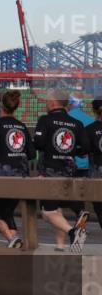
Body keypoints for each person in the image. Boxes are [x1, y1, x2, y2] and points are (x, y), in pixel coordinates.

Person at [34, 89, 90, 252]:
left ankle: (73, 232)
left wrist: (50, 148)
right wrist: (70, 151)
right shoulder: (77, 124)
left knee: (48, 212)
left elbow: (38, 143)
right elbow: (85, 148)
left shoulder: (45, 120)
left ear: (52, 102)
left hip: (49, 171)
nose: (45, 103)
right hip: (70, 171)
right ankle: (60, 245)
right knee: (58, 210)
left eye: (46, 101)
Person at [0, 90, 36, 248]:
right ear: (17, 107)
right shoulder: (22, 126)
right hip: (21, 175)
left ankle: (10, 238)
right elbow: (32, 154)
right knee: (7, 213)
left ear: (2, 105)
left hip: (2, 176)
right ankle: (15, 242)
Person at [85, 99, 102, 231]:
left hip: (97, 174)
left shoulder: (90, 129)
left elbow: (83, 150)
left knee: (100, 208)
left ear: (94, 111)